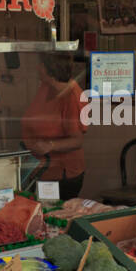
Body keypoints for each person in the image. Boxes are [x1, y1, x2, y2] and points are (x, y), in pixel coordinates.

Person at [22, 53, 87, 199]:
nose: (37, 68)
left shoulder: (72, 97)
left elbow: (77, 140)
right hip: (39, 169)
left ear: (50, 69)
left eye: (41, 65)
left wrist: (50, 145)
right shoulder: (46, 87)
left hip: (62, 174)